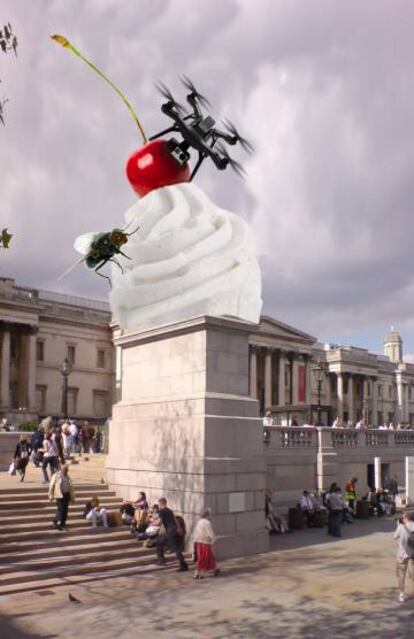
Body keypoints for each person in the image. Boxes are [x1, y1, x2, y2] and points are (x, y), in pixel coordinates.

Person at [155, 497, 188, 572]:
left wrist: (151, 522)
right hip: (174, 530)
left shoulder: (161, 511)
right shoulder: (169, 510)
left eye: (159, 504)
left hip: (170, 532)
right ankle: (161, 561)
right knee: (159, 542)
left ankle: (183, 565)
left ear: (160, 503)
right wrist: (179, 528)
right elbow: (175, 520)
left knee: (175, 549)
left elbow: (159, 522)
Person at [193, 508, 220, 580]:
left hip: (199, 541)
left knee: (209, 556)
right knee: (204, 557)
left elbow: (196, 532)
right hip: (205, 542)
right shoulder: (207, 522)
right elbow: (210, 532)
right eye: (210, 514)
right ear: (207, 515)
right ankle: (197, 573)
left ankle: (215, 569)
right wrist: (213, 540)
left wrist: (195, 540)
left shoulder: (199, 522)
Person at [394, 511, 414, 603]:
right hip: (412, 555)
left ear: (406, 518)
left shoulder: (401, 527)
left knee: (401, 575)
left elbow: (395, 537)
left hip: (402, 555)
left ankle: (401, 594)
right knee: (413, 575)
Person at [48, 464, 75, 531]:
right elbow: (51, 486)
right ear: (61, 469)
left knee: (65, 511)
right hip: (59, 495)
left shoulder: (68, 477)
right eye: (65, 469)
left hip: (66, 495)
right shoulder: (56, 475)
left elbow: (71, 488)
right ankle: (55, 521)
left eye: (67, 469)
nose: (66, 471)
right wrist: (50, 495)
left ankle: (63, 524)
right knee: (61, 510)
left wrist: (73, 498)